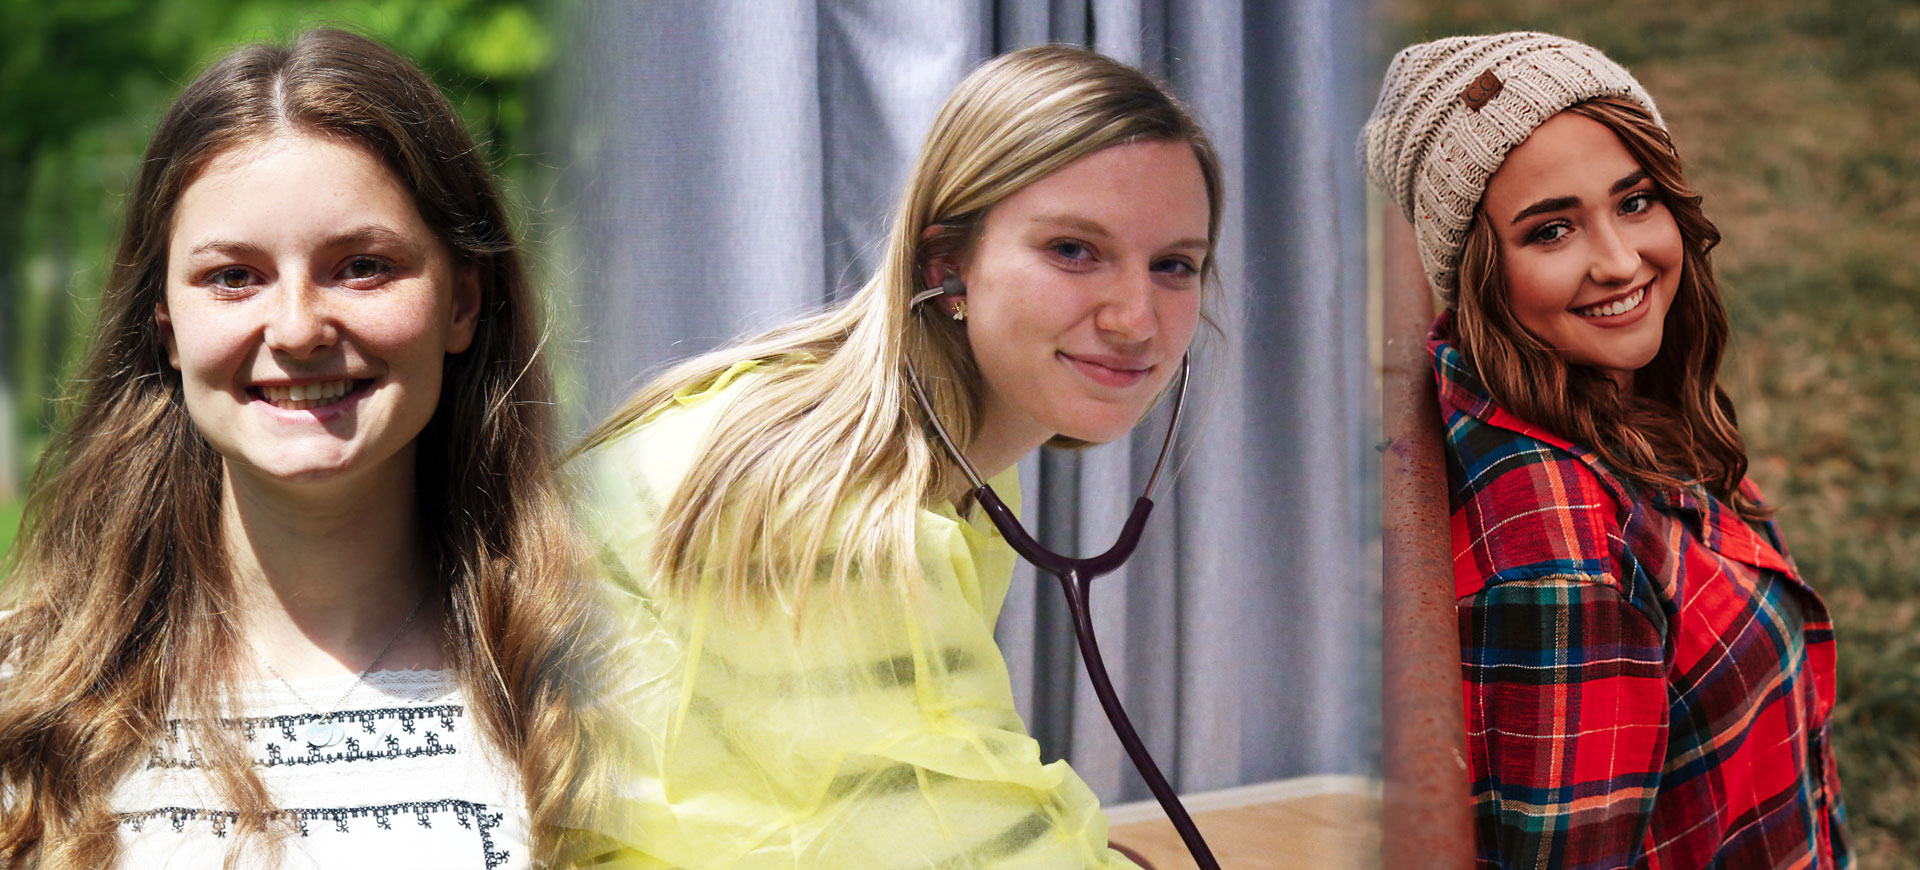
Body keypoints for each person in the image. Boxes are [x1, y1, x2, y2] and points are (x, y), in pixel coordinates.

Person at [578, 44, 1220, 869]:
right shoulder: (831, 504)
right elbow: (957, 843)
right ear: (945, 265)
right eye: (1073, 250)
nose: (1136, 319)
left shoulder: (953, 461)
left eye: (1174, 266)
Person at [0, 29, 610, 868]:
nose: (296, 329)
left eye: (361, 267)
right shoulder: (23, 703)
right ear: (166, 326)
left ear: (464, 303)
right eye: (233, 277)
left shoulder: (606, 693)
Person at [1362, 32, 1850, 868]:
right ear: (1477, 270)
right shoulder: (1567, 576)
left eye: (1634, 201)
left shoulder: (1599, 391)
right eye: (1552, 231)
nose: (1621, 262)